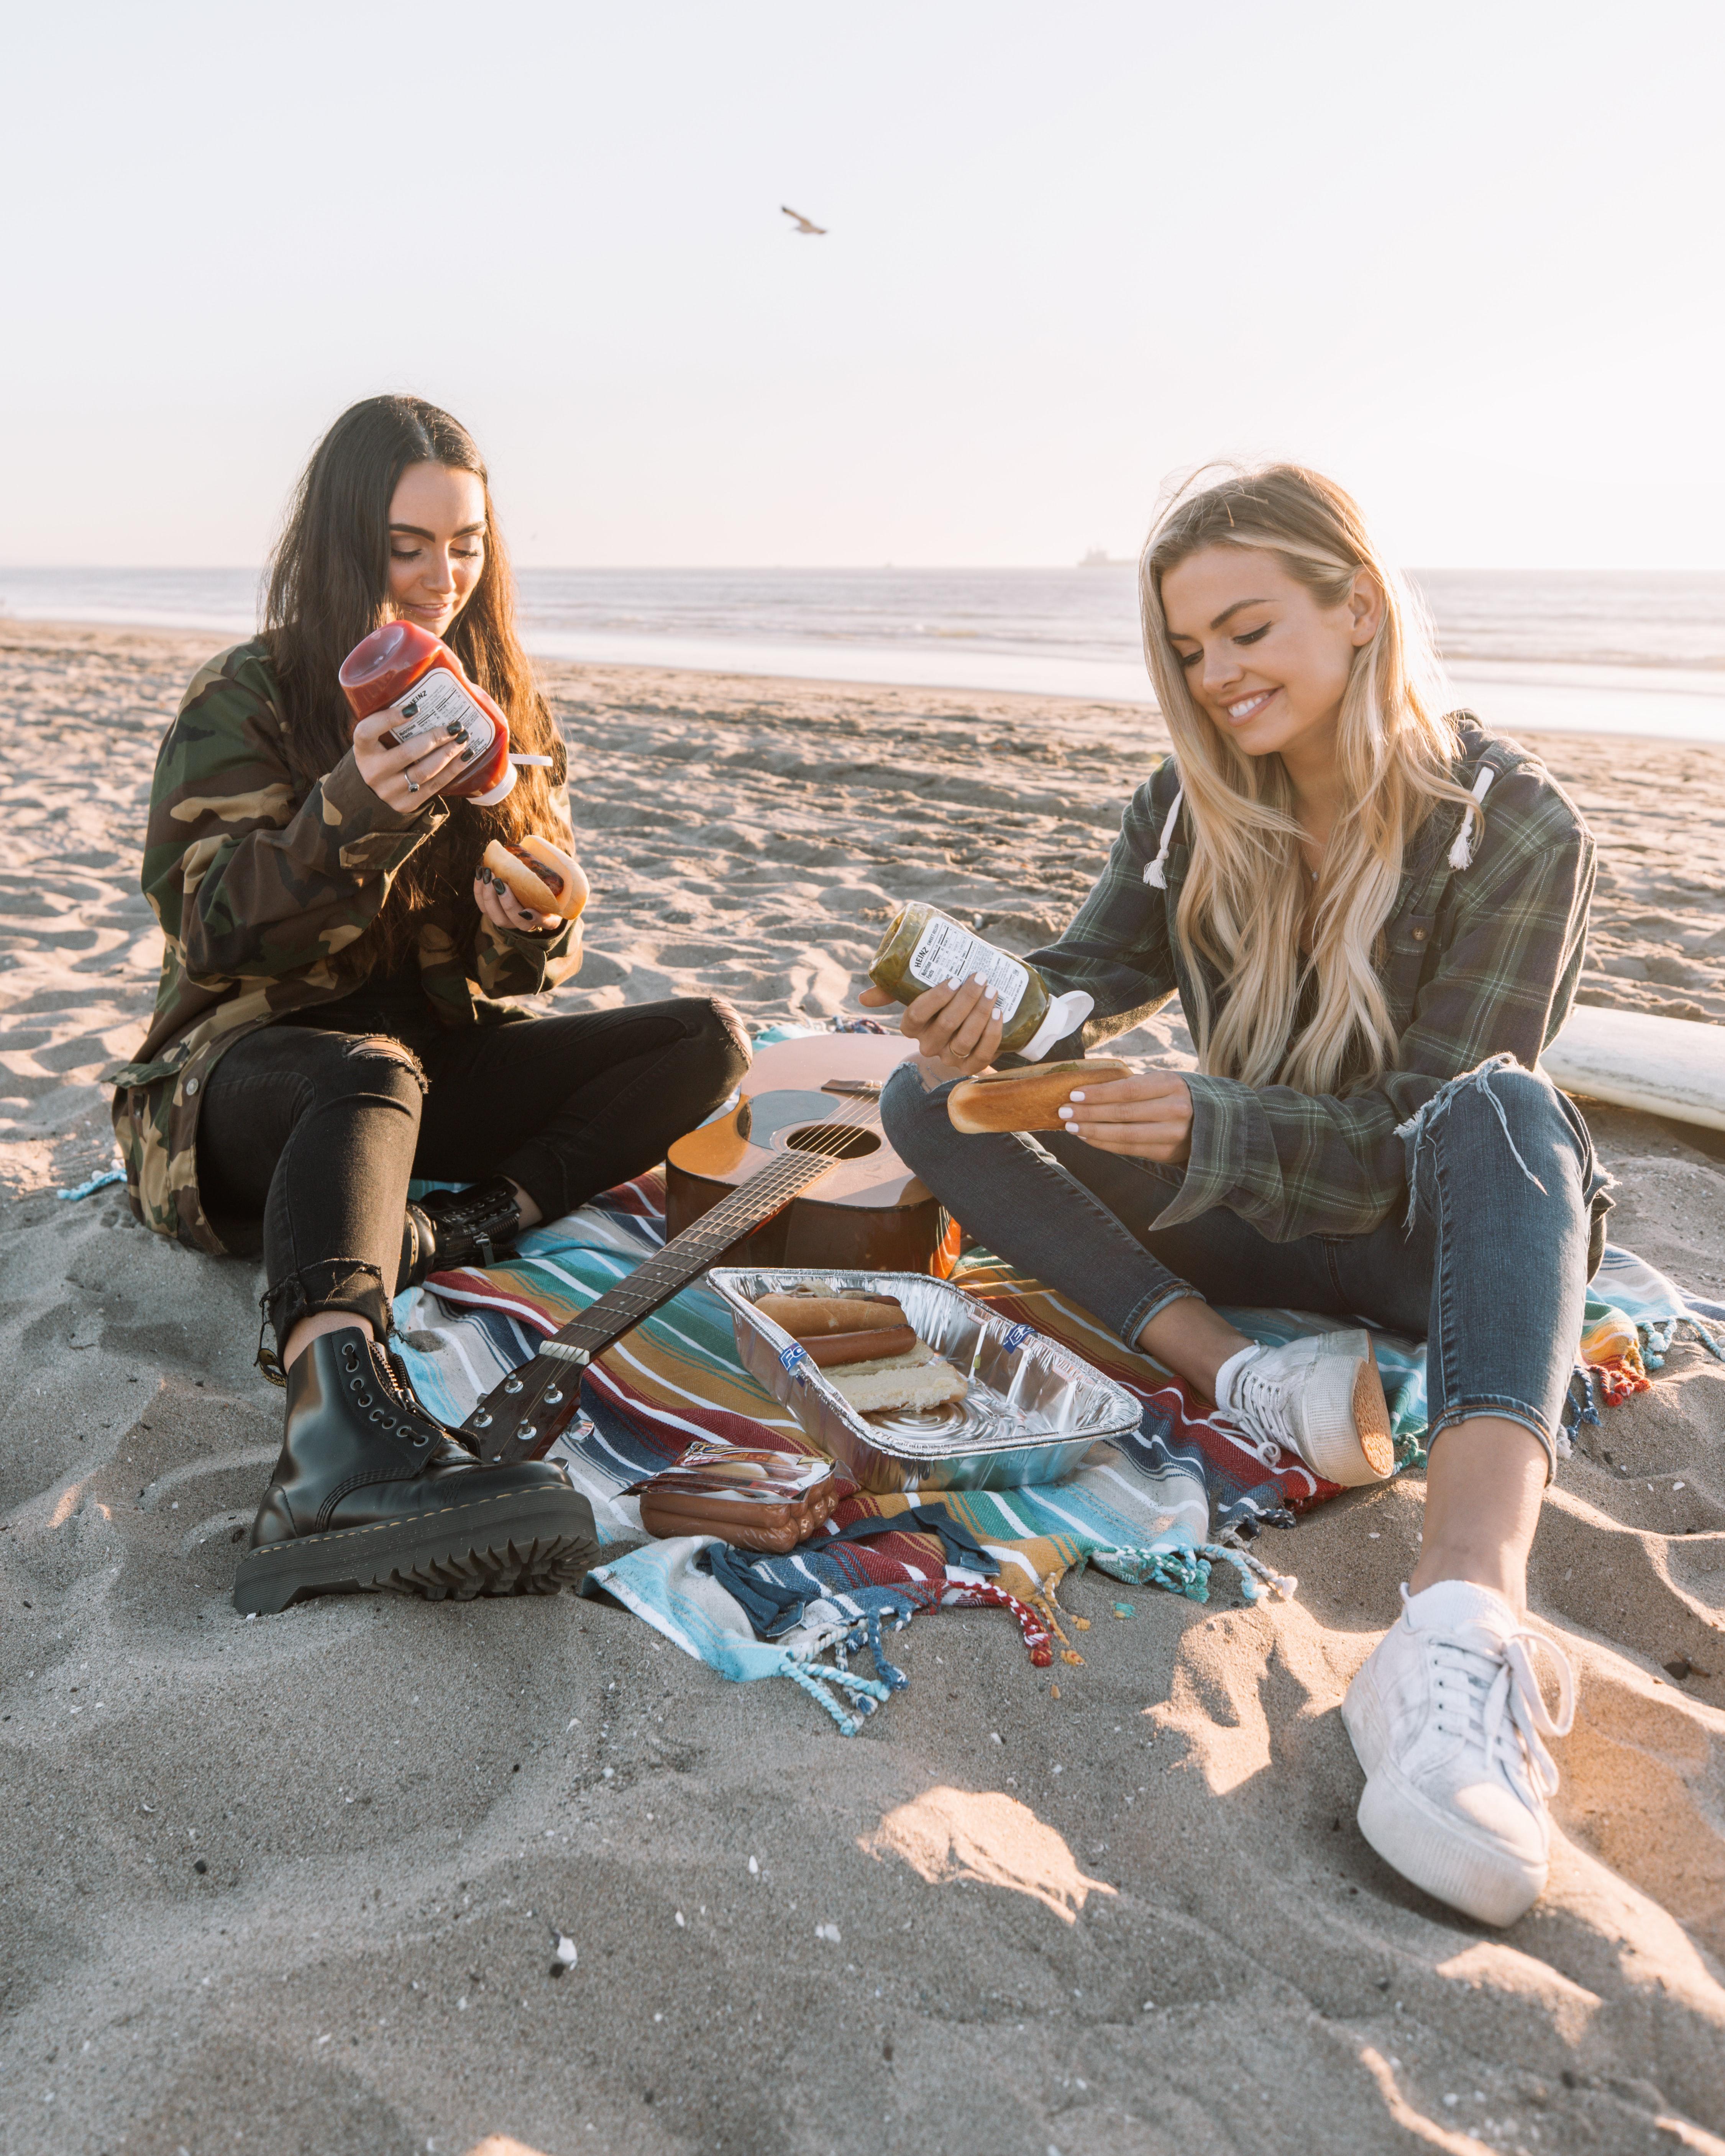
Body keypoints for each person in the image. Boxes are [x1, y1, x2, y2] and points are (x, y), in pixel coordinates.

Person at [871, 465, 1600, 1928]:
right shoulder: (1186, 806)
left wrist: (1208, 1120)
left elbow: (1424, 1134)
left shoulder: (1519, 827)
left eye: (1249, 630)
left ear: (1360, 605)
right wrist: (987, 1009)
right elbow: (1086, 985)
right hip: (1243, 1215)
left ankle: (1459, 1627)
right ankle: (1246, 1377)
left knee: (1517, 1114)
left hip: (1417, 1248)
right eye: (1190, 651)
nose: (1217, 679)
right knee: (921, 1101)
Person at [111, 395, 749, 1615]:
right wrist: (351, 806)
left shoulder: (501, 704)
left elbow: (518, 978)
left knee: (703, 1038)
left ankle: (459, 1230)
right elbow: (207, 929)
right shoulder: (248, 696)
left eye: (466, 545)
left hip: (425, 1069)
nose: (442, 575)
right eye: (410, 544)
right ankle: (335, 1448)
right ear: (347, 539)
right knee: (370, 1067)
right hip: (239, 1085)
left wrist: (540, 922)